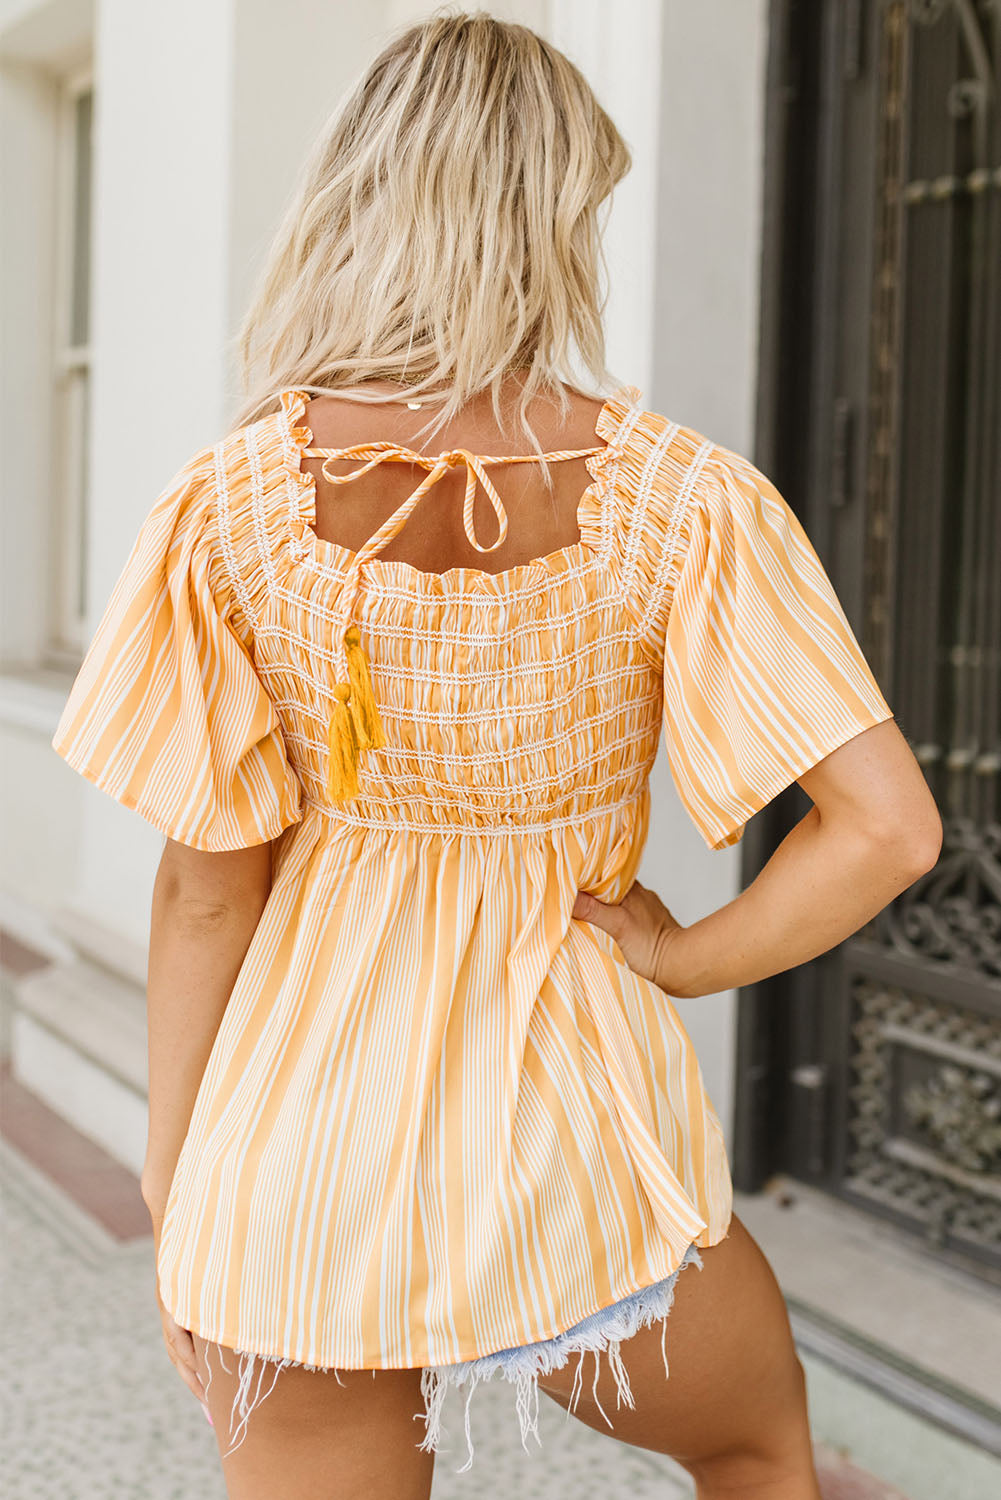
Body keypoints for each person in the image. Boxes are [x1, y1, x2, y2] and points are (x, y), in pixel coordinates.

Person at [51, 10, 942, 1500]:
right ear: (557, 217)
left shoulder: (224, 505)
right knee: (754, 1449)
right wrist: (685, 960)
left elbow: (208, 894)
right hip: (570, 1128)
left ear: (352, 199)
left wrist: (177, 1172)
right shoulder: (684, 502)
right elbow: (891, 831)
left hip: (297, 1133)